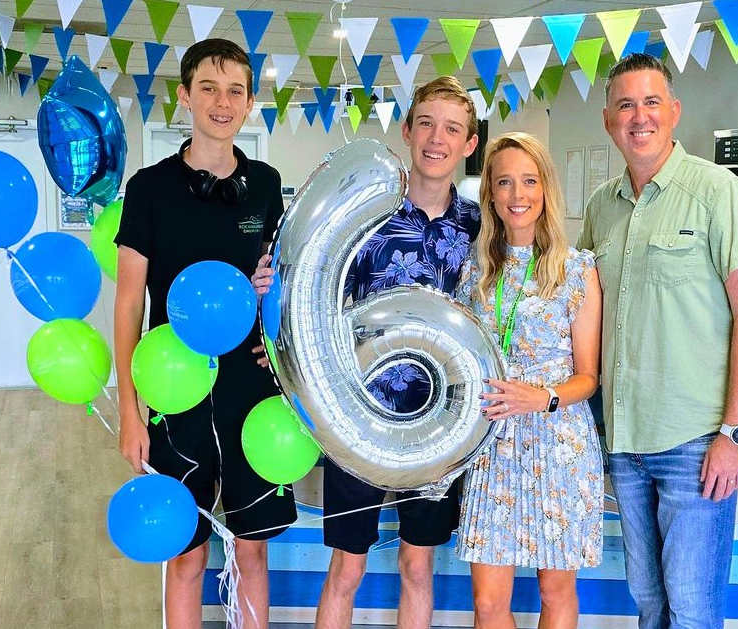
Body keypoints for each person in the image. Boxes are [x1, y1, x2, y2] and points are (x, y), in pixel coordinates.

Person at [252, 75, 481, 629]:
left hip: (440, 426)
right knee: (346, 569)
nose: (436, 138)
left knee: (417, 566)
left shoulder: (479, 224)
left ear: (469, 144)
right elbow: (311, 292)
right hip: (353, 415)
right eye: (425, 123)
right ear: (406, 130)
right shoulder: (364, 211)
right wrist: (275, 308)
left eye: (452, 128)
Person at [577, 53, 738, 629]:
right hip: (623, 437)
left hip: (694, 440)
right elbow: (584, 311)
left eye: (652, 102)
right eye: (626, 105)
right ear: (609, 120)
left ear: (675, 112)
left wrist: (734, 433)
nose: (640, 117)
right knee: (649, 599)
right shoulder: (600, 208)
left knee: (691, 606)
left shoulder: (718, 194)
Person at [114, 38, 297, 629]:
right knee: (186, 553)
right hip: (175, 388)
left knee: (252, 549)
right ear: (185, 96)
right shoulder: (149, 187)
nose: (222, 102)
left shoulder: (267, 186)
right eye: (209, 89)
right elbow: (127, 305)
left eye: (235, 91)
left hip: (252, 390)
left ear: (250, 103)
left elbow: (281, 289)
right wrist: (130, 410)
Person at [453, 132, 604, 629]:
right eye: (505, 183)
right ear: (491, 195)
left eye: (529, 181)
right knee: (488, 602)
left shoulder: (577, 270)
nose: (518, 195)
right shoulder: (476, 270)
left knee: (554, 592)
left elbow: (589, 376)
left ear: (546, 189)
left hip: (557, 444)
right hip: (493, 443)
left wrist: (543, 398)